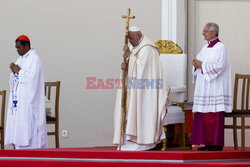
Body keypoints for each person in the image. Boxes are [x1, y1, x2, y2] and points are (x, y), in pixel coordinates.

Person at [113, 26, 169, 151]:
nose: (131, 42)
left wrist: (129, 55)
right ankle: (129, 140)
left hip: (147, 92)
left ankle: (145, 141)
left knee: (141, 109)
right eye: (129, 40)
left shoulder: (148, 48)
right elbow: (135, 67)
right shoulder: (137, 47)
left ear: (139, 35)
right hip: (136, 89)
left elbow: (143, 69)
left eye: (132, 39)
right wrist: (126, 65)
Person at [191, 23, 232, 151]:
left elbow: (219, 66)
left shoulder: (221, 48)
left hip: (215, 87)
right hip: (204, 87)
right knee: (204, 115)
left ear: (214, 33)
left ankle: (216, 144)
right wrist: (196, 65)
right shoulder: (205, 48)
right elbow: (199, 63)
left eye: (206, 31)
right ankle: (207, 143)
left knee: (213, 115)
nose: (203, 33)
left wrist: (201, 65)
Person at [5, 35, 48, 149]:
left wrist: (19, 72)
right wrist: (14, 72)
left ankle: (32, 148)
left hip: (29, 101)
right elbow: (16, 78)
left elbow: (33, 79)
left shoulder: (35, 59)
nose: (17, 50)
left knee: (28, 123)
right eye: (16, 48)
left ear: (26, 46)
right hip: (19, 100)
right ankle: (19, 146)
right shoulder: (20, 59)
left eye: (19, 47)